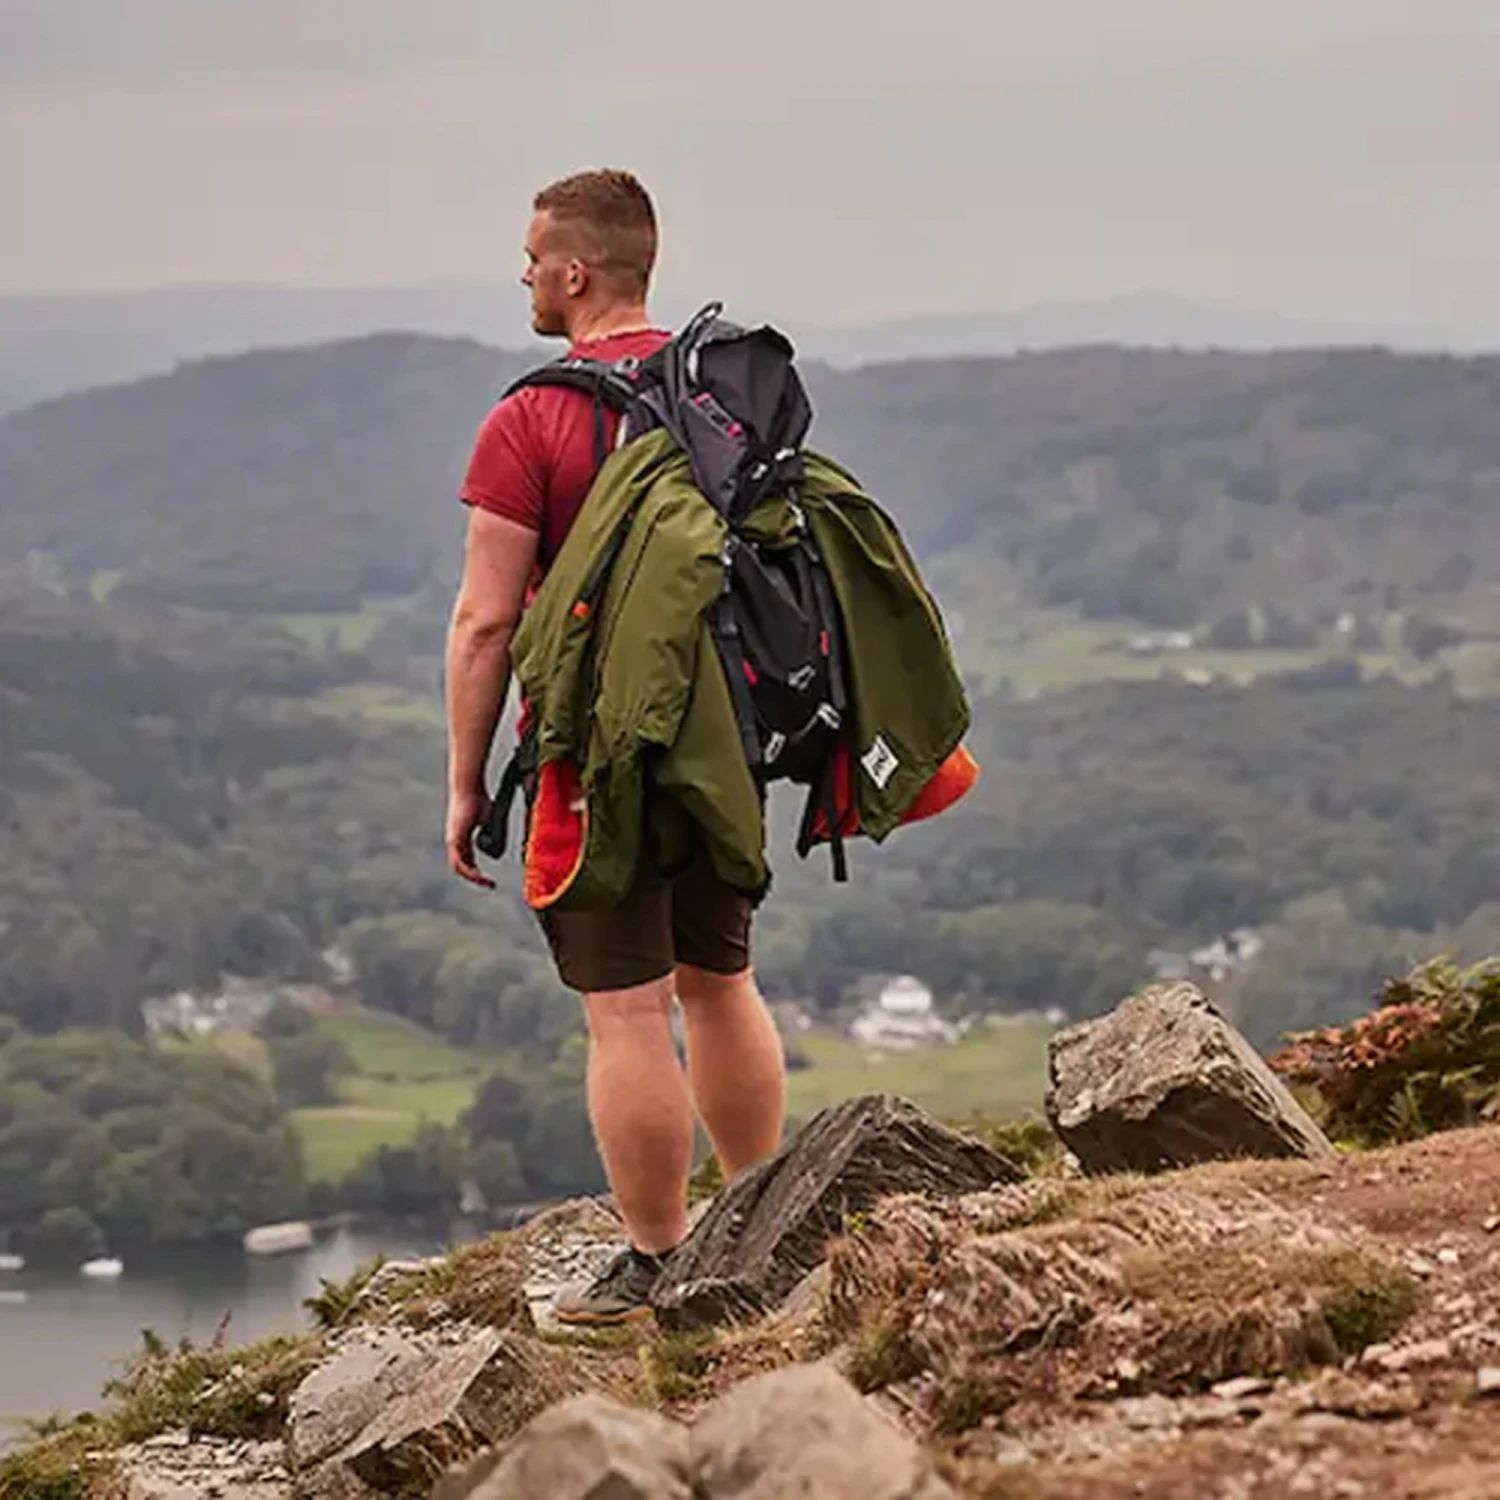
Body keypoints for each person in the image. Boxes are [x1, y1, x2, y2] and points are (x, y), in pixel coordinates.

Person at [443, 169, 788, 1324]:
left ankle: (658, 1262)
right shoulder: (720, 392)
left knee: (628, 1012)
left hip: (594, 754)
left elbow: (487, 620)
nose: (525, 275)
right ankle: (767, 1225)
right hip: (726, 735)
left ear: (574, 271)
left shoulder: (533, 417)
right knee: (722, 983)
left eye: (533, 257)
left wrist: (464, 783)